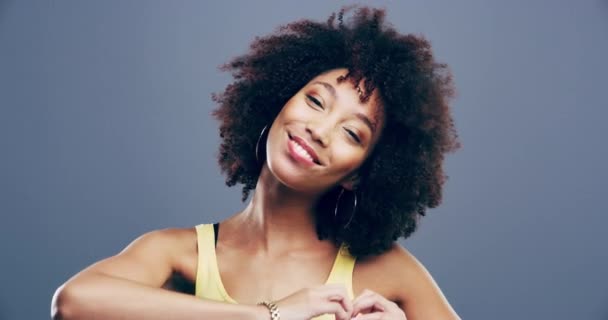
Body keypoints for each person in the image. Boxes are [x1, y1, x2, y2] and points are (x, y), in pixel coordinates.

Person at [51, 6, 461, 320]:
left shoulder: (388, 272)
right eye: (315, 101)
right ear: (276, 101)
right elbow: (73, 302)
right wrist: (268, 315)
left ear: (358, 173)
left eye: (352, 133)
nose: (319, 130)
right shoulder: (181, 254)